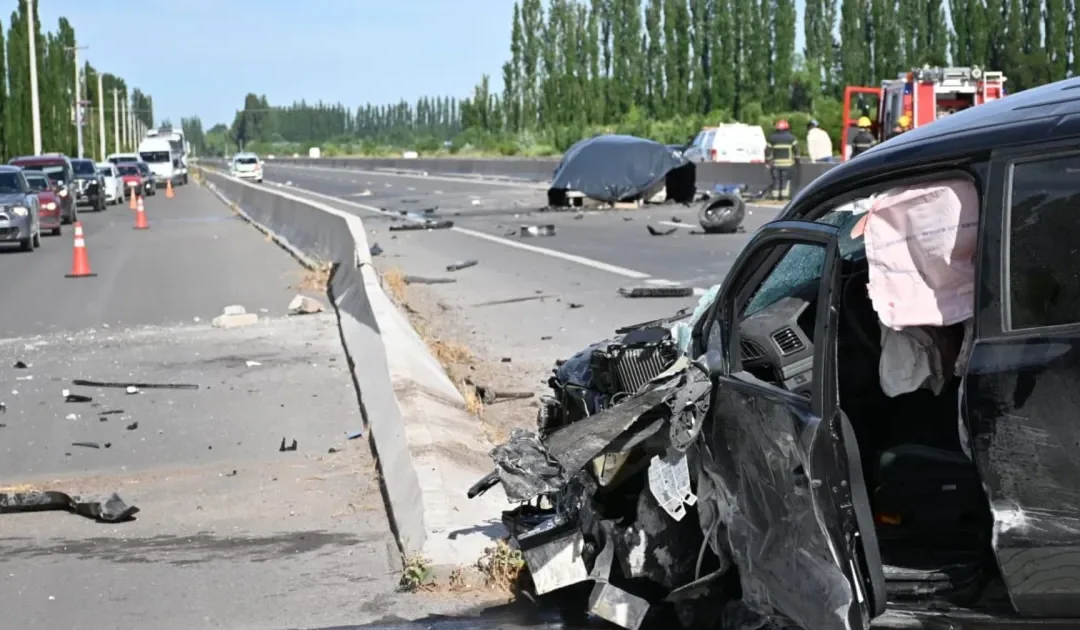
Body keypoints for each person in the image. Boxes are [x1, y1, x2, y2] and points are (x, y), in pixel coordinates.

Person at [766, 119, 798, 200]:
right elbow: (796, 151)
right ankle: (784, 197)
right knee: (785, 181)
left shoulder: (772, 138)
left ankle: (775, 197)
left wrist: (767, 161)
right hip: (787, 164)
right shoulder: (791, 138)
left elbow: (767, 151)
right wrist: (797, 159)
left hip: (776, 164)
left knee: (776, 181)